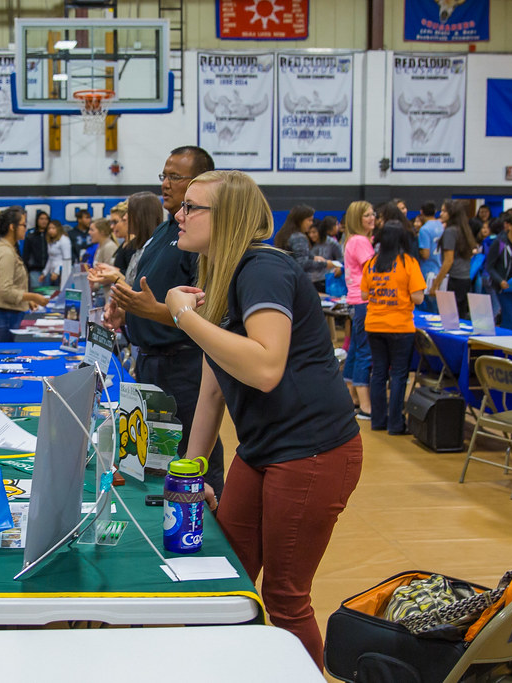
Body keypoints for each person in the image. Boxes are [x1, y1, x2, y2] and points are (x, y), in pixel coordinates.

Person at [163, 170, 361, 670]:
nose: (179, 215)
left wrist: (183, 318)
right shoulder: (220, 272)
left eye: (191, 207)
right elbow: (213, 388)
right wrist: (190, 474)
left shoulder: (263, 268)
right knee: (229, 576)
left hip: (312, 450)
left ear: (225, 218)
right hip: (262, 450)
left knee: (284, 596)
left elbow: (266, 368)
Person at [105, 146, 225, 497]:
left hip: (183, 365)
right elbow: (150, 294)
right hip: (151, 363)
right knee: (153, 457)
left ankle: (208, 528)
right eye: (164, 175)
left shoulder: (200, 237)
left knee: (194, 456)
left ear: (200, 182)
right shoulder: (163, 231)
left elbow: (203, 314)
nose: (167, 183)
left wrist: (148, 310)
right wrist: (125, 309)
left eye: (176, 177)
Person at [362, 221, 426, 435]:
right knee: (399, 375)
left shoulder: (371, 263)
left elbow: (364, 295)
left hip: (374, 324)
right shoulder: (408, 263)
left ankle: (378, 420)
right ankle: (395, 424)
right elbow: (418, 298)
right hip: (400, 326)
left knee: (379, 373)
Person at [0, 208, 50, 342]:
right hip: (6, 315)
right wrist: (33, 296)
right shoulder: (5, 253)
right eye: (23, 225)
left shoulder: (9, 249)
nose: (25, 229)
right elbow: (6, 290)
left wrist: (26, 300)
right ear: (12, 227)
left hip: (10, 313)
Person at [342, 201, 375, 420]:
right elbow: (372, 272)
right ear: (357, 219)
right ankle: (366, 406)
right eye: (367, 215)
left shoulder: (353, 240)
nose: (372, 218)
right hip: (364, 301)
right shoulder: (361, 241)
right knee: (364, 351)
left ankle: (352, 398)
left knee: (355, 348)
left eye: (373, 214)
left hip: (356, 301)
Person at [429, 200, 477, 320]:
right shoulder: (464, 230)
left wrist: (436, 284)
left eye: (444, 211)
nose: (441, 214)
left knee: (450, 319)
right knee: (460, 317)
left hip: (454, 280)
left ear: (452, 213)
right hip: (465, 278)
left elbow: (448, 261)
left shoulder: (451, 231)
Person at [274, 205, 331, 284]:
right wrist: (325, 264)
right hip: (297, 282)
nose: (311, 223)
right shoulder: (299, 237)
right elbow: (302, 264)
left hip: (285, 279)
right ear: (299, 220)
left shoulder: (283, 234)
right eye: (309, 220)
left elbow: (294, 256)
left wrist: (313, 257)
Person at [307, 222, 343, 293]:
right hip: (311, 281)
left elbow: (341, 258)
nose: (311, 235)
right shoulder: (308, 244)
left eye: (314, 232)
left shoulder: (331, 243)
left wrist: (339, 268)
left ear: (320, 231)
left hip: (326, 280)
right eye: (309, 232)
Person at [417, 202, 445, 290]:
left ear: (421, 212)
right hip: (440, 270)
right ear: (435, 211)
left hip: (428, 272)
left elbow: (425, 254)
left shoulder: (424, 229)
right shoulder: (441, 226)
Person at [40, 219, 72, 286]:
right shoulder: (50, 241)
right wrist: (44, 273)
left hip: (62, 273)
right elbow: (50, 259)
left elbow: (67, 259)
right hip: (52, 273)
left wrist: (57, 272)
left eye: (53, 228)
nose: (50, 230)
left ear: (58, 229)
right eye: (49, 228)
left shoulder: (64, 240)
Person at [22, 211, 49, 290]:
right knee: (36, 293)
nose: (44, 221)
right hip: (35, 270)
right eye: (41, 219)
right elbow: (26, 255)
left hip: (49, 271)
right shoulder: (31, 236)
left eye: (46, 219)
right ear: (37, 220)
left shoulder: (51, 236)